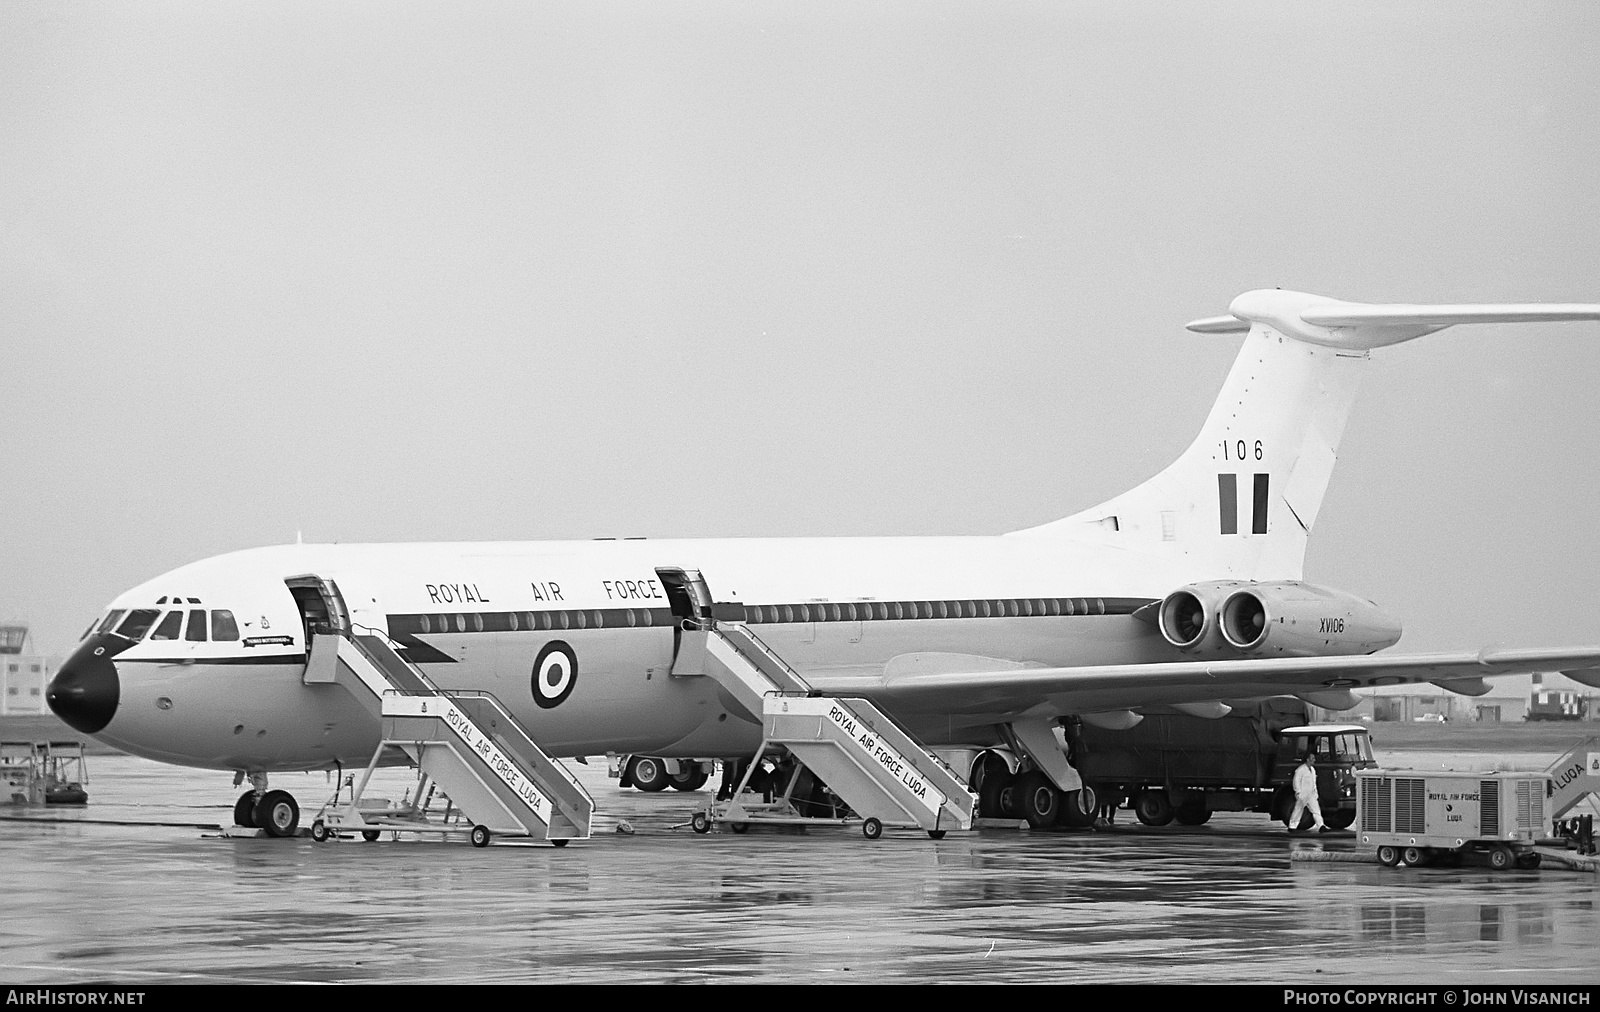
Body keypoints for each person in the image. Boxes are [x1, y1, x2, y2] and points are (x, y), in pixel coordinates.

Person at [1287, 753, 1326, 833]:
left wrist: (1315, 793)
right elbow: (1296, 781)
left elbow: (1314, 782)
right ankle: (1292, 826)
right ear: (1308, 759)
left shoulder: (1312, 770)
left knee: (1316, 810)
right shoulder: (1300, 770)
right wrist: (1298, 792)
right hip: (1303, 793)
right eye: (1313, 758)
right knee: (1298, 810)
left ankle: (1321, 826)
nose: (1314, 760)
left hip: (1311, 794)